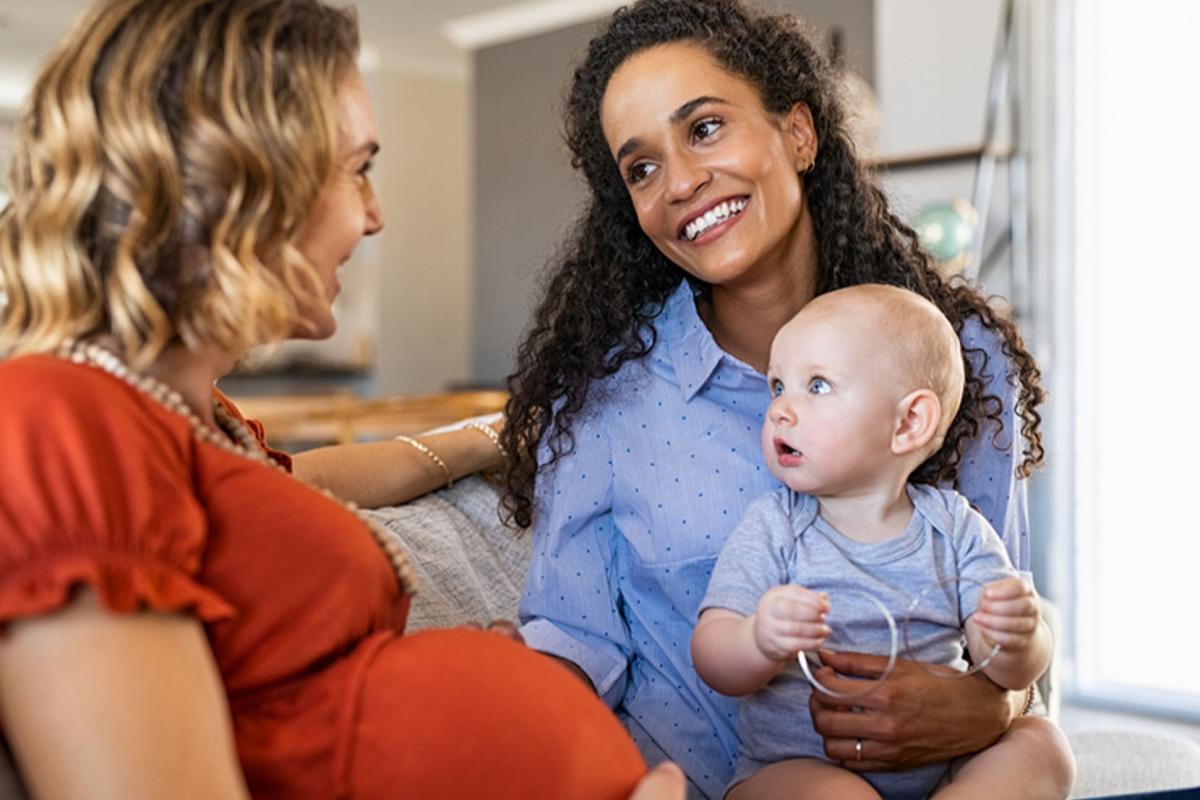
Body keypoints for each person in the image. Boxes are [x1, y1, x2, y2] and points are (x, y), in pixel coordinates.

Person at [0, 1, 684, 798]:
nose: (375, 214)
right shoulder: (59, 419)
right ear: (239, 180)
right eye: (357, 167)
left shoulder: (182, 422)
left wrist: (482, 442)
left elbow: (303, 486)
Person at [500, 0, 1052, 797]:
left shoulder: (960, 358)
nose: (682, 181)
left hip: (945, 779)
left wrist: (994, 705)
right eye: (642, 167)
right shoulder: (602, 408)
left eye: (705, 128)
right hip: (732, 783)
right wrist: (496, 691)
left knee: (1042, 748)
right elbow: (571, 650)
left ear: (798, 133)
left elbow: (1009, 614)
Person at [691, 285, 1073, 799]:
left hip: (943, 767)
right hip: (794, 772)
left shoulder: (955, 526)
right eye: (778, 386)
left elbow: (1009, 670)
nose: (781, 409)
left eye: (818, 386)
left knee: (1044, 748)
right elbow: (711, 655)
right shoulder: (775, 526)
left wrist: (1018, 637)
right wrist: (758, 639)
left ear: (909, 422)